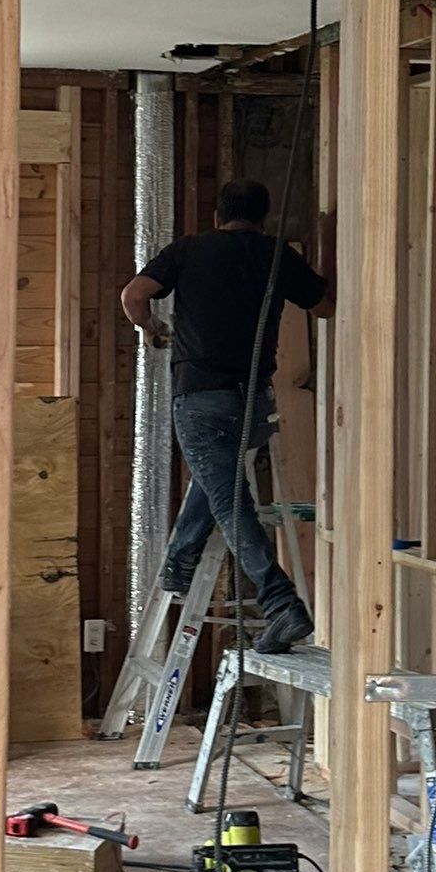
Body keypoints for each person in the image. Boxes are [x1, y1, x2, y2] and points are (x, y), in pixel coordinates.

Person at [118, 178, 329, 655]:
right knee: (218, 480)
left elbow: (134, 296)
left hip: (200, 398)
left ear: (217, 217)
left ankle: (280, 603)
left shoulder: (190, 249)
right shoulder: (276, 255)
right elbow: (324, 305)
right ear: (262, 220)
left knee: (230, 501)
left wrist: (151, 326)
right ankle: (180, 560)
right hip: (253, 403)